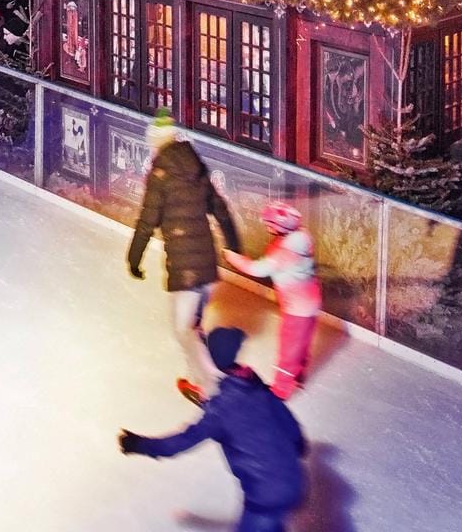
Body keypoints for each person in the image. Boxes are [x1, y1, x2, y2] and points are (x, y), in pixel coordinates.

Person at [118, 328, 307, 532]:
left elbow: (179, 443)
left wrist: (138, 444)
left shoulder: (220, 411)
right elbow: (292, 429)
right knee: (271, 523)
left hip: (265, 495)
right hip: (295, 481)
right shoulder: (256, 388)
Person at [128, 120, 243, 404]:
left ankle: (213, 386)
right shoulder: (195, 164)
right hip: (207, 261)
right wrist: (234, 245)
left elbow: (147, 220)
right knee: (194, 325)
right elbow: (220, 208)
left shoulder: (160, 173)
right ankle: (196, 381)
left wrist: (134, 258)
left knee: (183, 330)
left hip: (185, 267)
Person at [222, 201, 321, 399]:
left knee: (290, 346)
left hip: (297, 308)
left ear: (279, 226)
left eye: (270, 224)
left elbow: (257, 269)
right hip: (310, 300)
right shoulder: (300, 237)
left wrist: (232, 257)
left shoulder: (286, 252)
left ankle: (281, 390)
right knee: (302, 342)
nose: (267, 227)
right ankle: (299, 374)